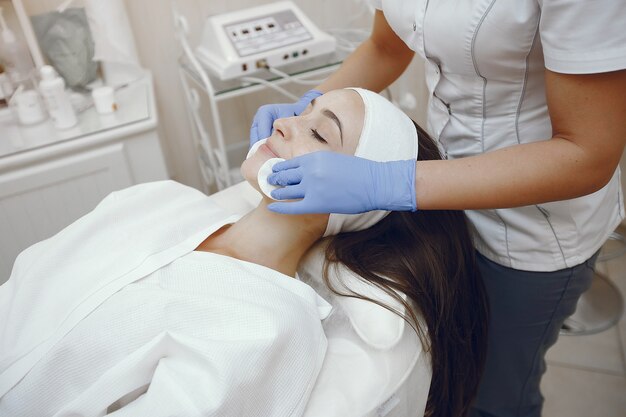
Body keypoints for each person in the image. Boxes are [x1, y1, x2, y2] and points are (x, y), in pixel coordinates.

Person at [0, 88, 487, 417]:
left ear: (352, 199)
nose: (286, 124)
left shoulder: (265, 326)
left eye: (320, 133)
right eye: (305, 109)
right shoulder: (158, 200)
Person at [249, 2, 626, 417]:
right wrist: (312, 104)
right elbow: (384, 48)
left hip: (531, 229)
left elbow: (587, 155)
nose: (287, 127)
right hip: (440, 198)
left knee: (493, 397)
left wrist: (390, 182)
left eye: (320, 133)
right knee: (450, 374)